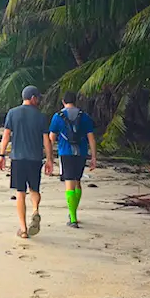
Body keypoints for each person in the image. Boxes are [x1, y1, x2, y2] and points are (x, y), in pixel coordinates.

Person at [0, 85, 53, 239]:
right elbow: (46, 141)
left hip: (18, 158)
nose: (39, 101)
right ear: (33, 98)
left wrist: (1, 155)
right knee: (34, 190)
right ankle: (35, 210)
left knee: (20, 193)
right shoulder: (40, 116)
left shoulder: (12, 113)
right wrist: (49, 159)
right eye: (38, 98)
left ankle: (23, 229)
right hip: (35, 159)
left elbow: (6, 136)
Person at [49, 91, 97, 228]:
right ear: (75, 101)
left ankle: (73, 217)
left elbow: (51, 138)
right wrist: (93, 157)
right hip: (81, 152)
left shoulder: (58, 117)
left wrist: (49, 157)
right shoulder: (84, 116)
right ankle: (73, 213)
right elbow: (91, 138)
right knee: (77, 181)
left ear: (63, 101)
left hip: (65, 153)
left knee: (69, 183)